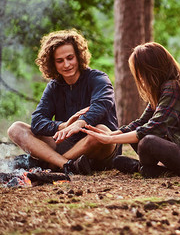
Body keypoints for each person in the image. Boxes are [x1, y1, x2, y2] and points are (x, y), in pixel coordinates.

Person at [82, 42, 180, 178]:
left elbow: (154, 128)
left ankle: (143, 168)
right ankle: (148, 169)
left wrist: (110, 139)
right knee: (137, 135)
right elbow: (141, 122)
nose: (140, 79)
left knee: (147, 141)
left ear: (151, 70)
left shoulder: (175, 87)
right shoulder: (161, 90)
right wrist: (111, 135)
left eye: (140, 73)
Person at [7, 29, 119, 175]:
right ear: (53, 64)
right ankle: (66, 165)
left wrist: (81, 122)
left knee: (101, 131)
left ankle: (51, 164)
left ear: (78, 57)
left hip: (98, 149)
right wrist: (63, 126)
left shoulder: (98, 79)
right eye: (60, 61)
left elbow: (102, 104)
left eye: (70, 58)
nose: (66, 64)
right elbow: (37, 122)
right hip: (67, 144)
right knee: (16, 129)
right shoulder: (54, 86)